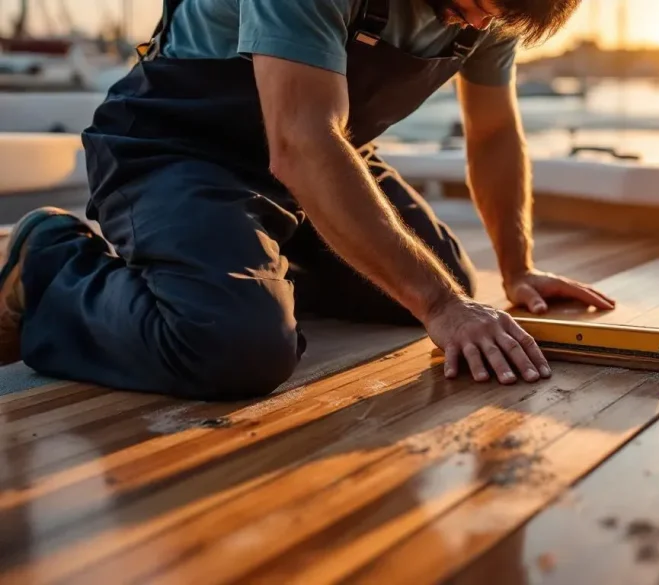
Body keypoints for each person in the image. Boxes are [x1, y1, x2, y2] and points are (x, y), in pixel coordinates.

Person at [0, 0, 616, 401]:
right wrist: (441, 305)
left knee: (445, 279)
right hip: (179, 148)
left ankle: (246, 262)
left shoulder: (492, 12)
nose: (477, 28)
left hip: (314, 158)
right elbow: (301, 143)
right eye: (473, 7)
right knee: (235, 347)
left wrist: (518, 267)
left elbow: (494, 132)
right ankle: (50, 263)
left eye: (494, 22)